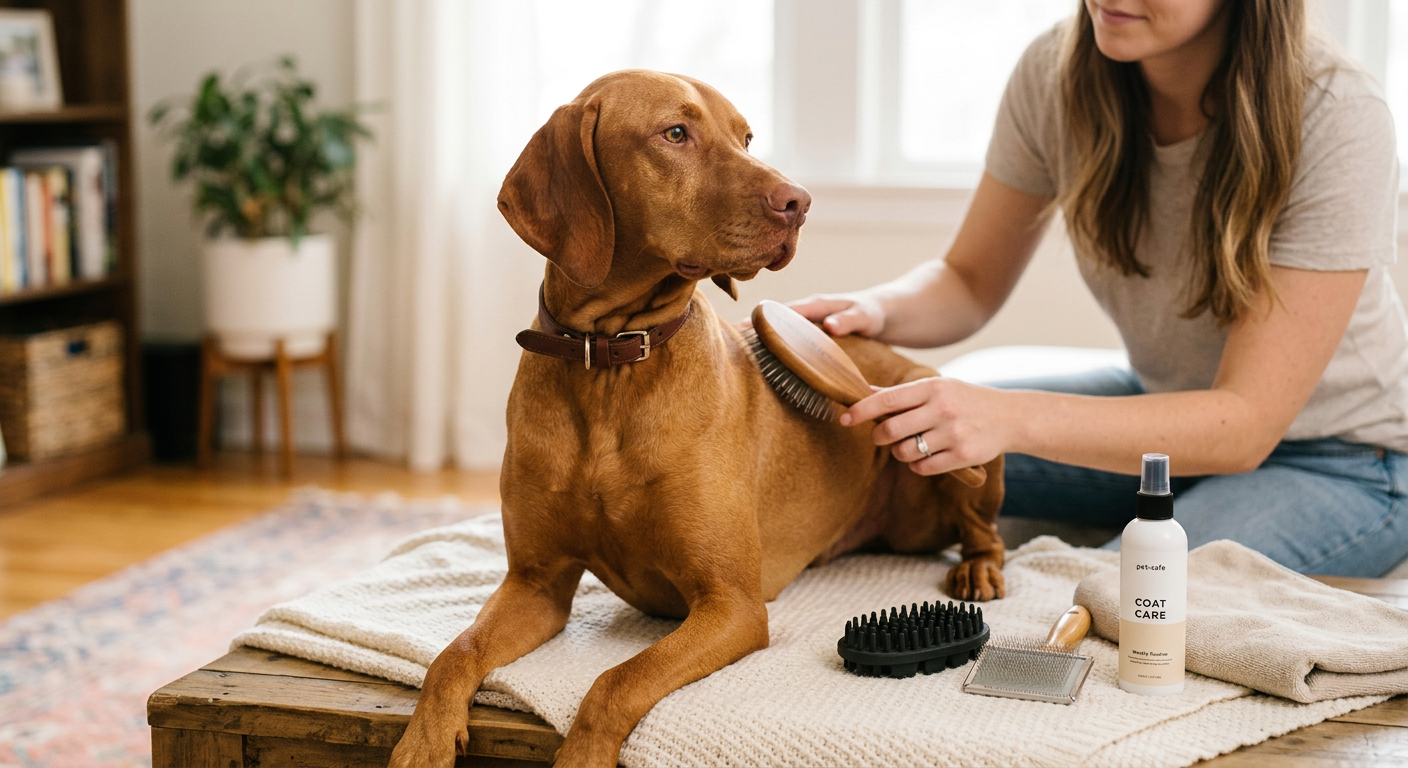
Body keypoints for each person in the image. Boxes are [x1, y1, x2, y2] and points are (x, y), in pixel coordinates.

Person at [790, 0, 1408, 576]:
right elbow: (969, 281)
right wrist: (872, 309)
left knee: (1123, 592)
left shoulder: (1336, 112)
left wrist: (1008, 417)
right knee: (909, 443)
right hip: (1167, 403)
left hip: (1346, 460)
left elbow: (1244, 424)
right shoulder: (1054, 72)